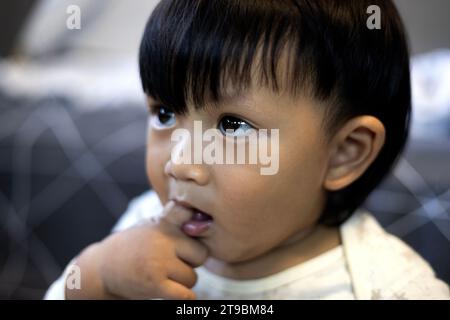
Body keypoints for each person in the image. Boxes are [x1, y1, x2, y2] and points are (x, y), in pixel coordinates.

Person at [45, 0, 450, 300]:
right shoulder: (142, 224)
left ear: (344, 152)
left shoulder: (391, 289)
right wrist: (98, 277)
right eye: (165, 113)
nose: (179, 163)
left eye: (232, 126)